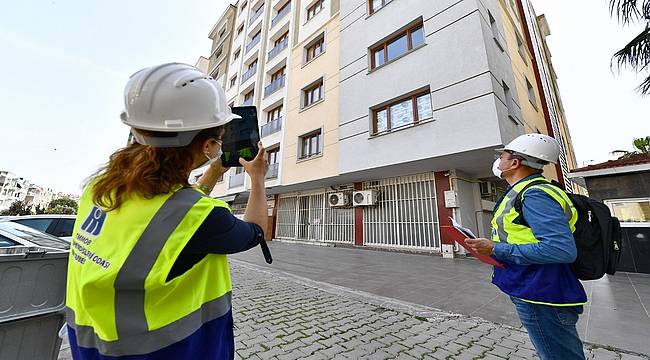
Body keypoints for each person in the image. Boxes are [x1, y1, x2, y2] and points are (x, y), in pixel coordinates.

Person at [65, 63, 269, 359]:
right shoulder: (200, 216)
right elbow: (255, 231)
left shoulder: (98, 189)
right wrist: (258, 180)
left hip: (91, 345)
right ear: (210, 146)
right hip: (166, 350)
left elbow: (168, 211)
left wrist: (212, 174)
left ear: (136, 128)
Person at [466, 134, 587, 360]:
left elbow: (560, 249)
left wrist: (495, 249)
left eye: (502, 155)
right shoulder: (526, 191)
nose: (498, 159)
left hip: (541, 291)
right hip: (531, 286)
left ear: (515, 162)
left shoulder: (535, 194)